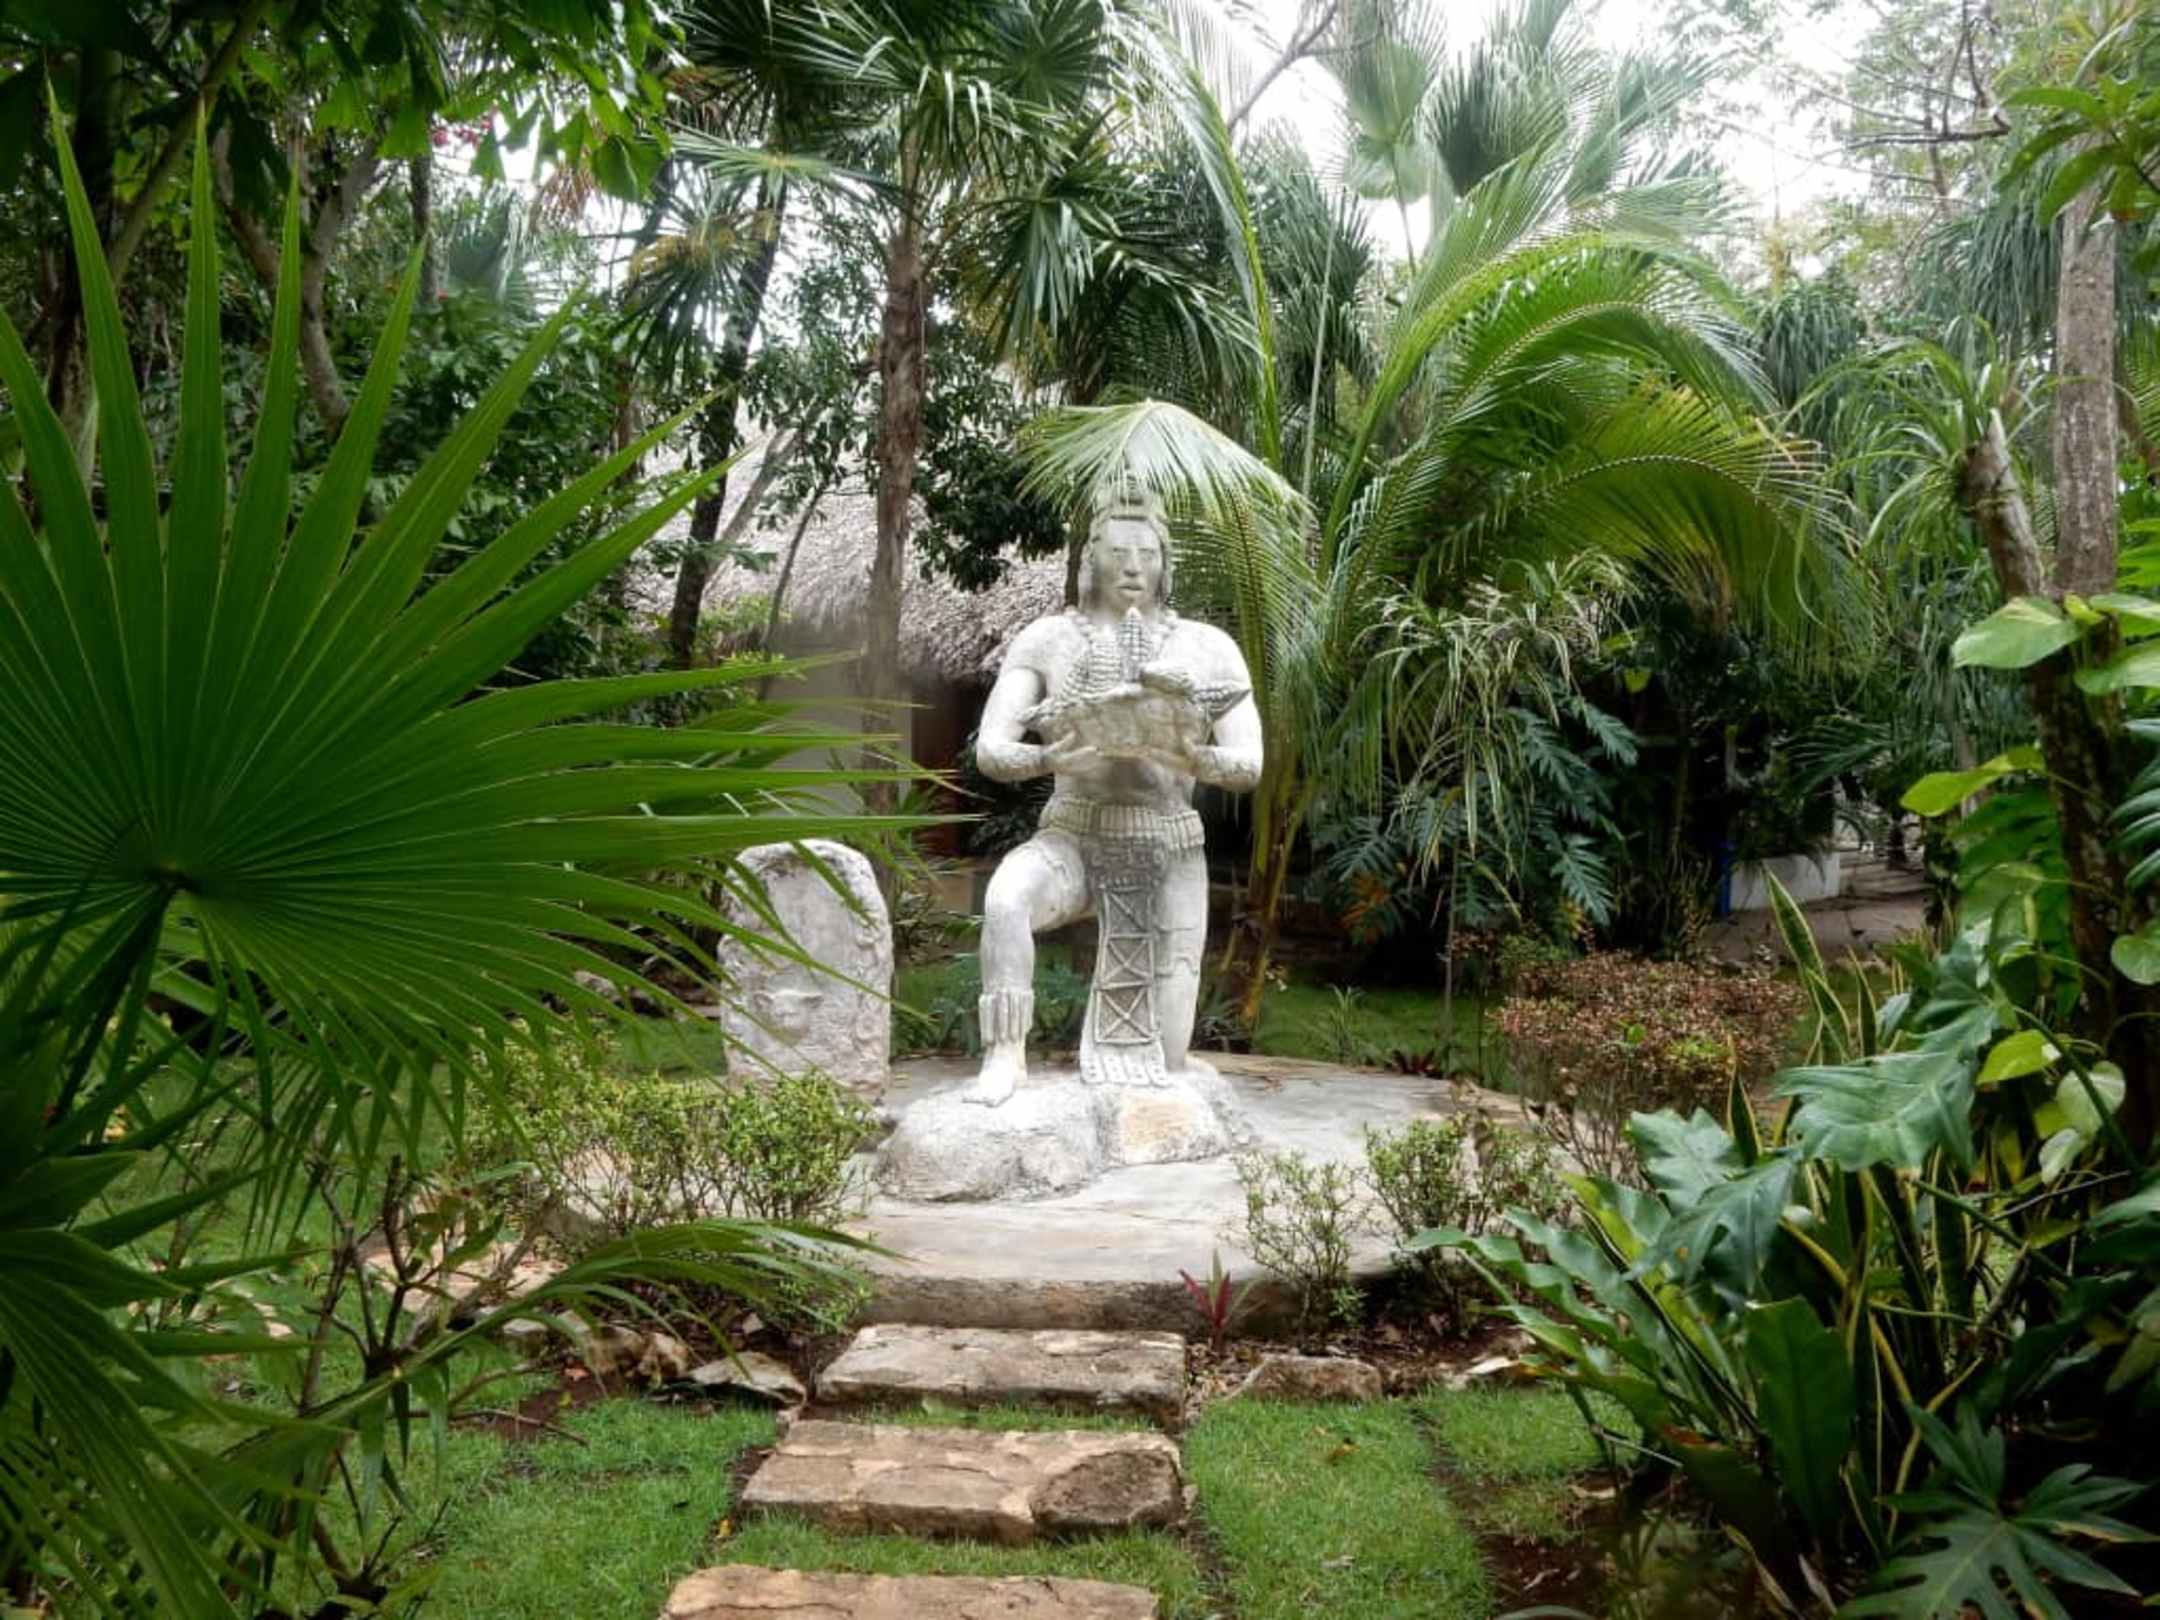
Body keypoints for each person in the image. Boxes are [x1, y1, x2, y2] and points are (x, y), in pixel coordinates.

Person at [965, 480, 1262, 1104]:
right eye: (1118, 552)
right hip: (1074, 834)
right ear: (1089, 560)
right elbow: (990, 748)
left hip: (1167, 843)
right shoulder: (1049, 638)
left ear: (1165, 564)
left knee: (1168, 1056)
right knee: (1007, 899)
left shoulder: (1207, 648)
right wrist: (1045, 756)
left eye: (1147, 553)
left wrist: (1193, 757)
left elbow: (1249, 764)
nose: (1133, 566)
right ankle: (1004, 1054)